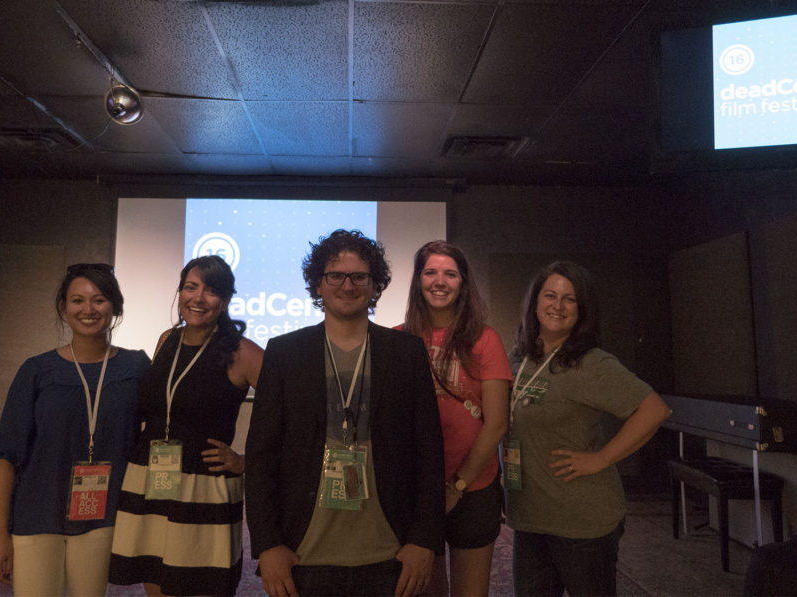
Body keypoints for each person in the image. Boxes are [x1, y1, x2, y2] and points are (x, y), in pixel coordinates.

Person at [245, 229, 444, 597]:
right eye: (335, 275)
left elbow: (429, 453)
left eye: (359, 277)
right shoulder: (285, 353)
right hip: (304, 551)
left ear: (374, 285)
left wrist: (424, 540)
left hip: (392, 551)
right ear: (318, 285)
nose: (347, 285)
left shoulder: (406, 353)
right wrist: (267, 545)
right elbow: (261, 457)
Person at [506, 261, 671, 597]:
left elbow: (654, 410)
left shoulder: (591, 363)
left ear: (581, 310)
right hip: (528, 518)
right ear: (534, 302)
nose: (558, 305)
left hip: (581, 521)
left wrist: (600, 458)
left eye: (570, 299)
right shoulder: (520, 358)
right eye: (550, 295)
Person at [0, 263, 150, 596]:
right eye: (78, 300)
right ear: (64, 308)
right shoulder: (37, 370)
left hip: (103, 516)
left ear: (116, 306)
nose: (88, 309)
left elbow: (173, 423)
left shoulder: (136, 367)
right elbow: (7, 459)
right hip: (36, 517)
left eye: (99, 299)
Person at [108, 255, 263, 597]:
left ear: (224, 301)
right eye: (190, 287)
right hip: (151, 479)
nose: (198, 297)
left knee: (200, 585)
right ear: (180, 292)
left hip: (202, 488)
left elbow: (295, 415)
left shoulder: (243, 353)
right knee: (156, 580)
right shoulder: (168, 340)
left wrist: (246, 461)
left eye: (210, 291)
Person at [399, 241, 511, 596]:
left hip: (473, 486)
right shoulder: (398, 339)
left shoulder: (483, 338)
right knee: (421, 591)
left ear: (463, 283)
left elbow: (496, 423)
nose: (439, 281)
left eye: (450, 274)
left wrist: (457, 486)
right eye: (430, 272)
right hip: (416, 489)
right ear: (419, 280)